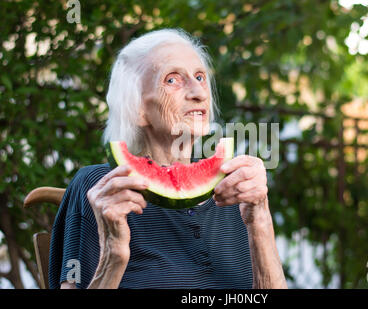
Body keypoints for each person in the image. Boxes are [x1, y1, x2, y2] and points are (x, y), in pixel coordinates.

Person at [48, 28, 287, 289]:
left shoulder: (235, 192)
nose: (199, 92)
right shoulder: (100, 188)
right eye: (172, 80)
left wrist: (260, 220)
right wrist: (113, 256)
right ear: (137, 107)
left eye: (200, 76)